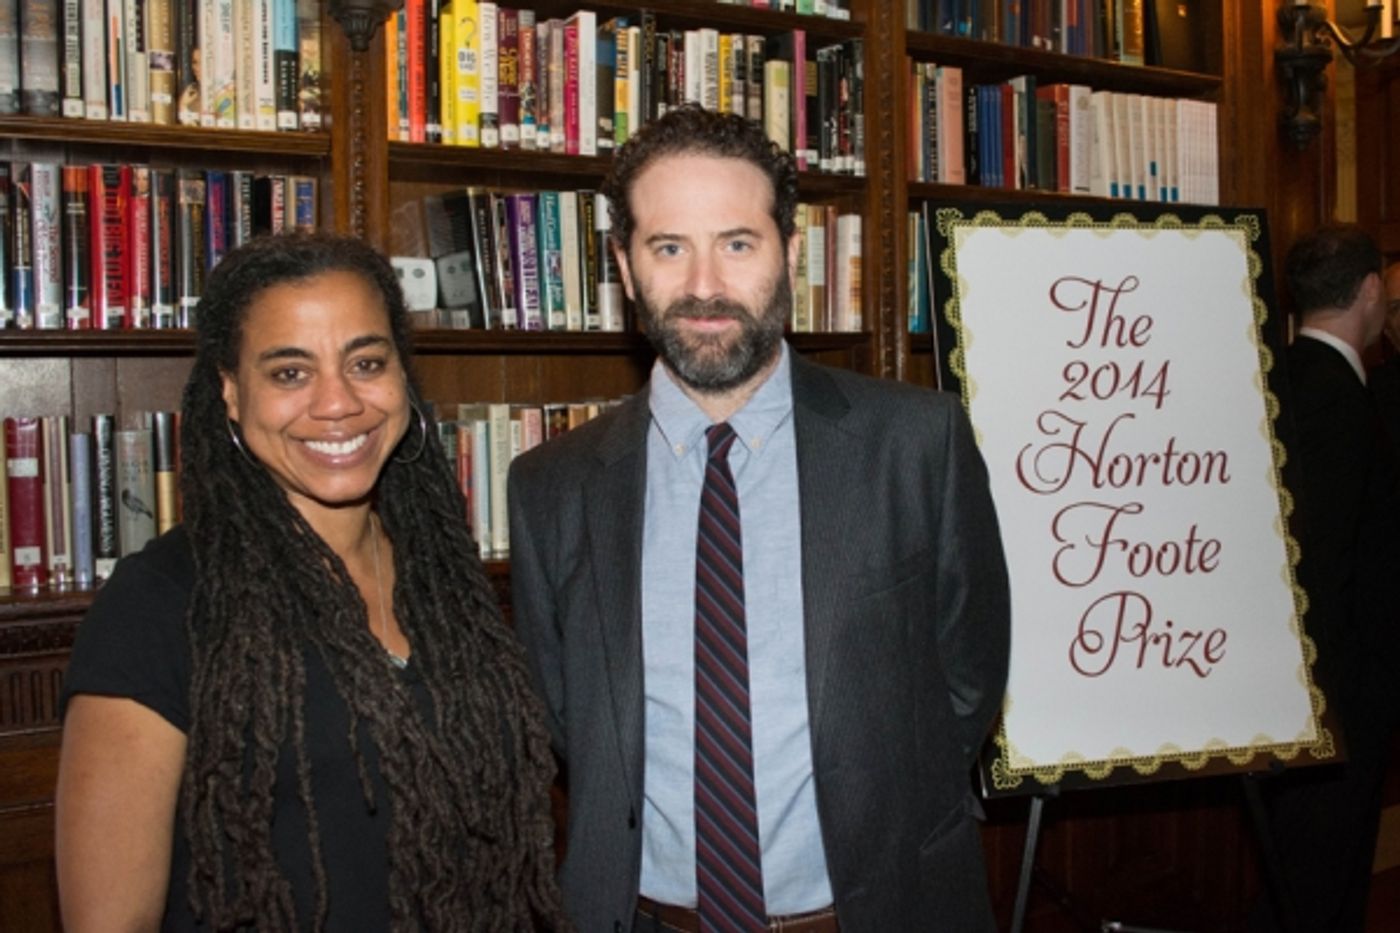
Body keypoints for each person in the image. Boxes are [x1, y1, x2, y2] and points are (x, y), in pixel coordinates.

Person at [508, 105, 1011, 932]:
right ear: (626, 270)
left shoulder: (918, 444)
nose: (704, 284)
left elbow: (968, 678)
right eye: (669, 247)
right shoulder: (551, 487)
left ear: (788, 254)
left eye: (737, 243)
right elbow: (565, 720)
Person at [55, 233, 569, 932]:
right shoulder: (159, 604)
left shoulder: (447, 580)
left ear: (402, 378)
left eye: (365, 362)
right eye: (290, 373)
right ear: (231, 394)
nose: (338, 403)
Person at [1252, 225, 1400, 933]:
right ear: (1370, 290)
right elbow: (1327, 558)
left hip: (1291, 687)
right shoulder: (1339, 397)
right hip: (1336, 697)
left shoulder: (1274, 376)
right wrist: (1342, 704)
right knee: (1322, 888)